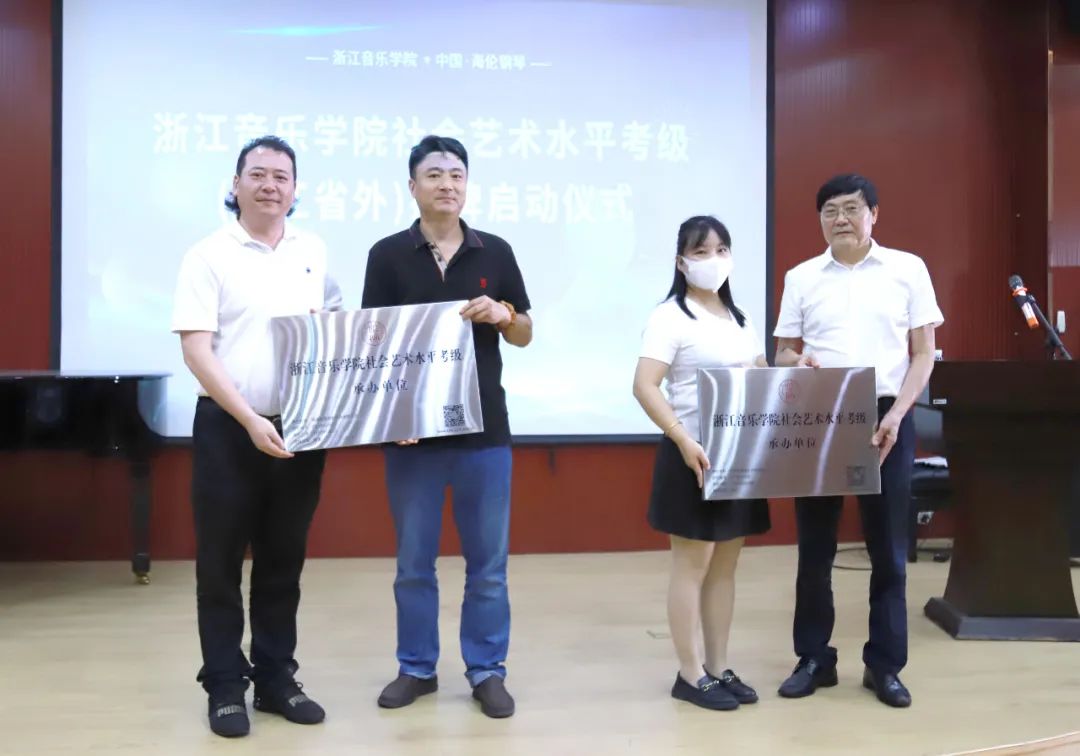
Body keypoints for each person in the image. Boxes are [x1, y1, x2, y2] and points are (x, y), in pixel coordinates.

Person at [171, 135, 340, 737]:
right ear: (236, 184)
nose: (270, 185)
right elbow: (197, 349)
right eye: (258, 174)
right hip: (227, 427)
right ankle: (224, 686)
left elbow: (333, 331)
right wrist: (248, 418)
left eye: (282, 176)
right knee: (219, 564)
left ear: (295, 190)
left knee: (282, 561)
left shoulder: (312, 250)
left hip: (300, 427)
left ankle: (274, 679)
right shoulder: (208, 255)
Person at [361, 135, 533, 719]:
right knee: (414, 563)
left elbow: (526, 332)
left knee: (489, 565)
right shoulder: (387, 254)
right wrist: (391, 417)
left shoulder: (495, 252)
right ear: (413, 186)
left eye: (456, 174)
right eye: (434, 174)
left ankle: (487, 670)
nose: (447, 184)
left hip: (485, 432)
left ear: (467, 184)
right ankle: (416, 667)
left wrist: (504, 314)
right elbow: (372, 343)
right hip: (413, 436)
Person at [773, 173, 943, 708]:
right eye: (830, 210)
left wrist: (899, 413)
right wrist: (796, 360)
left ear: (874, 214)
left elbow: (923, 353)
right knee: (814, 548)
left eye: (851, 208)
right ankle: (813, 659)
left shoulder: (907, 269)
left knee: (888, 551)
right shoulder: (802, 276)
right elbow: (781, 352)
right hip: (820, 413)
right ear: (820, 220)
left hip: (887, 413)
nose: (840, 218)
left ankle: (884, 666)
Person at [632, 215, 771, 710]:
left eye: (721, 250)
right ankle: (689, 674)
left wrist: (793, 370)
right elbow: (645, 385)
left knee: (725, 568)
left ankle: (717, 666)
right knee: (692, 566)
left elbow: (759, 375)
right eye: (701, 251)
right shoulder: (670, 317)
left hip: (738, 455)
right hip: (692, 456)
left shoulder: (741, 318)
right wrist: (681, 437)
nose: (713, 260)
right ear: (681, 262)